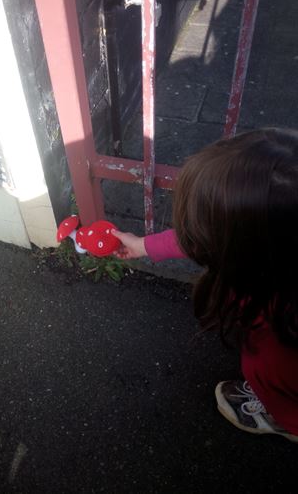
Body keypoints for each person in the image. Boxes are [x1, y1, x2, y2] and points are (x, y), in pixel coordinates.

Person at [112, 128, 298, 442]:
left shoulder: (276, 351)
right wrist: (145, 246)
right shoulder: (278, 240)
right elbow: (207, 237)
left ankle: (277, 417)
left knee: (275, 384)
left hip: (281, 369)